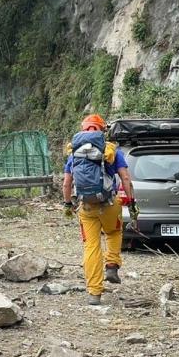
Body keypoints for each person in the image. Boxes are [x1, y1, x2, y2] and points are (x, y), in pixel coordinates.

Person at [62, 114, 137, 305]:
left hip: (86, 207)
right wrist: (131, 200)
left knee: (91, 246)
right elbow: (126, 178)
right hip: (110, 204)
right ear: (102, 130)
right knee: (113, 231)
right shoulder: (111, 150)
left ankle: (94, 293)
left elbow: (67, 184)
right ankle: (112, 265)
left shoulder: (74, 153)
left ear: (83, 129)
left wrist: (68, 205)